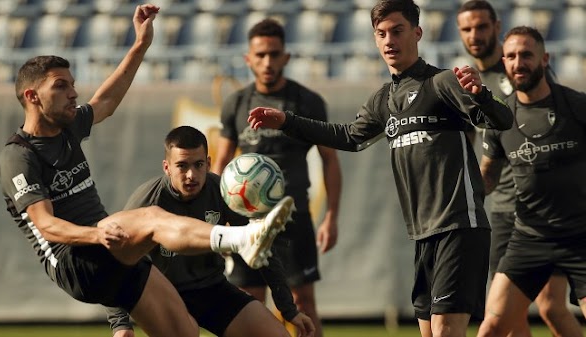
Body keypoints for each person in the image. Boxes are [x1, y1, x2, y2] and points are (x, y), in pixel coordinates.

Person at [0, 5, 294, 337]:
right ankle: (242, 239)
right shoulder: (17, 155)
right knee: (152, 216)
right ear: (32, 96)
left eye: (72, 84)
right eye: (61, 86)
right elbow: (46, 225)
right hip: (75, 260)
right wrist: (96, 235)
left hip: (115, 253)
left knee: (185, 333)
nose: (73, 93)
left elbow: (106, 101)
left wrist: (140, 44)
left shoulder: (67, 128)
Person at [247, 1, 513, 336]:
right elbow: (348, 137)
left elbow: (502, 120)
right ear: (374, 40)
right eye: (381, 33)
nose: (389, 40)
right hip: (422, 233)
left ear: (417, 33)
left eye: (397, 31)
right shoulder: (382, 100)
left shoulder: (443, 82)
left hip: (459, 224)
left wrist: (482, 96)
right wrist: (287, 121)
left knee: (446, 329)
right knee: (429, 331)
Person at [106, 126, 314, 337]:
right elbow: (113, 261)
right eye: (181, 166)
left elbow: (262, 246)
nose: (191, 175)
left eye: (198, 165)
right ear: (167, 167)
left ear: (208, 163)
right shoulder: (147, 201)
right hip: (163, 295)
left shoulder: (225, 191)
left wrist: (288, 309)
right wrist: (120, 325)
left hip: (212, 289)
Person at [456, 2, 583, 337]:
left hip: (578, 230)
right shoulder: (489, 106)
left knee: (551, 308)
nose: (518, 63)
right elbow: (486, 173)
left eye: (526, 55)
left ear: (545, 59)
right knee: (496, 323)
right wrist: (456, 201)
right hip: (524, 231)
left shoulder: (573, 105)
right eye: (511, 57)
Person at [211, 18, 342, 337]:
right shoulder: (236, 103)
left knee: (302, 302)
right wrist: (216, 216)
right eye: (260, 55)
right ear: (248, 59)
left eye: (274, 54)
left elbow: (330, 159)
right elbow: (221, 163)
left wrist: (331, 218)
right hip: (246, 223)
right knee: (250, 303)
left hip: (292, 217)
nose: (267, 62)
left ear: (285, 56)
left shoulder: (308, 102)